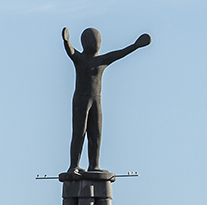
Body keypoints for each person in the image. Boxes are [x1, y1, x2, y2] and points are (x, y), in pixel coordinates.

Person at [64, 27, 151, 172]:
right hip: (81, 100)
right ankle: (74, 165)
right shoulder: (80, 59)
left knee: (96, 133)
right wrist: (66, 41)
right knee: (79, 132)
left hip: (96, 100)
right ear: (85, 42)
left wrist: (136, 46)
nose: (96, 43)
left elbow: (120, 53)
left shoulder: (102, 60)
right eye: (93, 40)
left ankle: (94, 165)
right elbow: (71, 51)